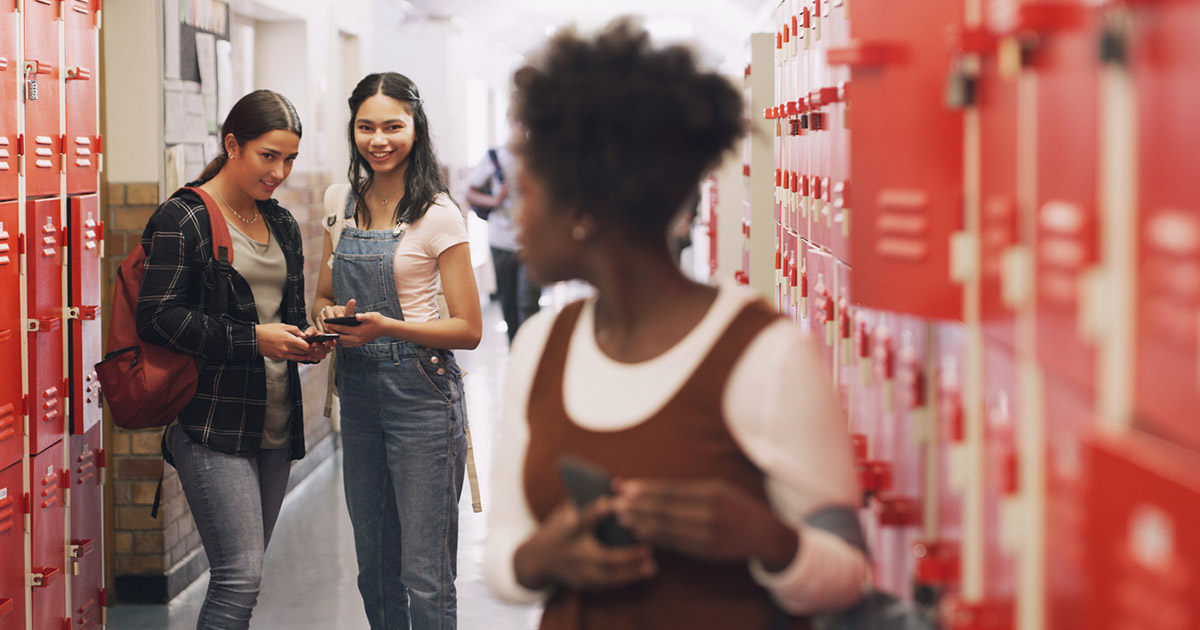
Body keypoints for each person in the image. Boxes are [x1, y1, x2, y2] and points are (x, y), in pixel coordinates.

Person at [483, 21, 869, 629]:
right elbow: (504, 554)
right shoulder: (540, 348)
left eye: (526, 195)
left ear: (584, 210)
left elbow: (847, 574)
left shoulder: (764, 356)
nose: (516, 221)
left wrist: (765, 538)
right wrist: (542, 557)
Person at [136, 89, 332, 630]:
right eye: (268, 156)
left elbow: (282, 317)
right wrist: (256, 340)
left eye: (289, 159)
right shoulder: (186, 216)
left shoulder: (283, 223)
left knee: (244, 577)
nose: (280, 171)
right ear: (232, 145)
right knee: (238, 577)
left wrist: (311, 338)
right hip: (210, 423)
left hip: (272, 423)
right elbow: (156, 318)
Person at [313, 72, 482, 630]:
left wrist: (389, 328)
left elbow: (468, 328)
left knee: (425, 573)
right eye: (366, 127)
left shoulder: (438, 213)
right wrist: (329, 318)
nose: (378, 139)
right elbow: (321, 294)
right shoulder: (340, 202)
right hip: (358, 396)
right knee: (374, 567)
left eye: (393, 126)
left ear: (416, 126)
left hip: (422, 396)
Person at [466, 143, 541, 344]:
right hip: (501, 241)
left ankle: (532, 355)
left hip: (531, 243)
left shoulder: (540, 153)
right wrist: (495, 200)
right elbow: (469, 191)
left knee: (528, 302)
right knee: (508, 303)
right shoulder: (494, 157)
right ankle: (515, 351)